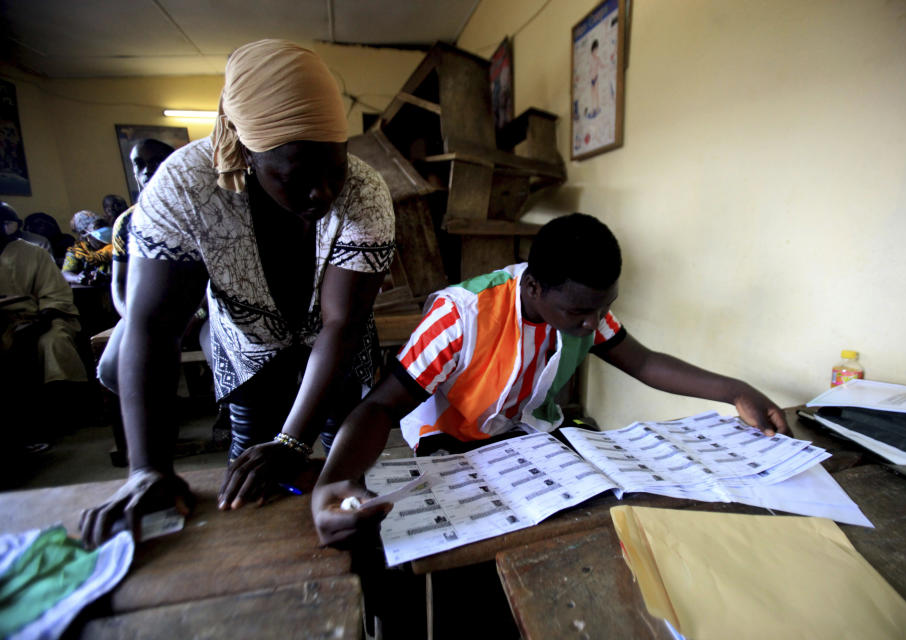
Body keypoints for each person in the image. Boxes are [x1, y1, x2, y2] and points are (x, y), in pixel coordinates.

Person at [79, 39, 395, 549]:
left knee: (343, 473)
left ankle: (358, 569)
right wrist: (147, 470)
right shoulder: (185, 187)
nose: (324, 193)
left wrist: (295, 441)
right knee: (253, 475)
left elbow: (341, 324)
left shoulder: (364, 190)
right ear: (248, 153)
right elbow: (152, 327)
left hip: (337, 349)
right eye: (297, 177)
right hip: (246, 349)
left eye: (334, 169)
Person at [312, 213, 787, 545]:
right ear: (535, 287)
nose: (593, 323)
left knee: (601, 511)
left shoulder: (583, 307)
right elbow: (380, 406)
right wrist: (332, 482)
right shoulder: (462, 316)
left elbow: (641, 362)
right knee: (473, 542)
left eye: (603, 307)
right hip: (453, 440)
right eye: (581, 312)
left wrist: (736, 390)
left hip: (528, 431)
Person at [0, 209, 87, 451]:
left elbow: (56, 296)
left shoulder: (33, 253)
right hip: (3, 321)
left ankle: (59, 415)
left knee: (53, 344)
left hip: (38, 318)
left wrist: (38, 321)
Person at [97, 138, 176, 394]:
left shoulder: (198, 211)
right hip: (145, 311)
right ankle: (154, 415)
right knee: (111, 368)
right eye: (139, 164)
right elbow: (119, 283)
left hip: (201, 311)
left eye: (156, 162)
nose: (146, 170)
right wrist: (133, 318)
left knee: (225, 355)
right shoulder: (127, 221)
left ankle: (226, 416)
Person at [61, 212, 113, 287]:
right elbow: (65, 273)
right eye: (98, 232)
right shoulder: (77, 251)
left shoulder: (115, 246)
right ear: (85, 235)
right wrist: (77, 278)